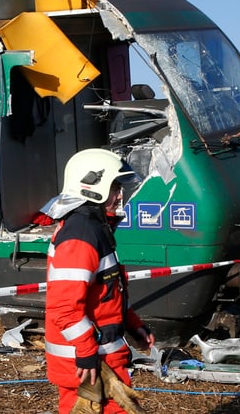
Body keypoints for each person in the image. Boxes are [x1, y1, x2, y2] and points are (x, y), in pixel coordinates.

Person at [41, 148, 155, 414]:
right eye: (114, 187)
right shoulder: (82, 234)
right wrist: (86, 352)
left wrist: (133, 325)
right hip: (89, 362)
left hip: (98, 356)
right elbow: (65, 308)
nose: (119, 195)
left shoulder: (95, 229)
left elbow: (107, 292)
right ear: (93, 187)